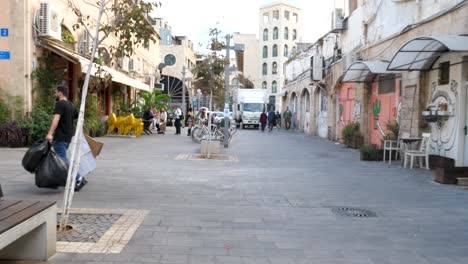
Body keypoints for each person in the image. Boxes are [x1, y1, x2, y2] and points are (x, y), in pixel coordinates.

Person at [46, 85, 86, 191]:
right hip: (68, 137)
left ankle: (79, 177)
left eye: (56, 92)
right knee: (59, 159)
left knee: (62, 160)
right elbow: (78, 115)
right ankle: (57, 180)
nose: (55, 94)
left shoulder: (60, 104)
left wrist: (50, 133)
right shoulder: (70, 105)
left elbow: (56, 120)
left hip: (60, 136)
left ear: (60, 92)